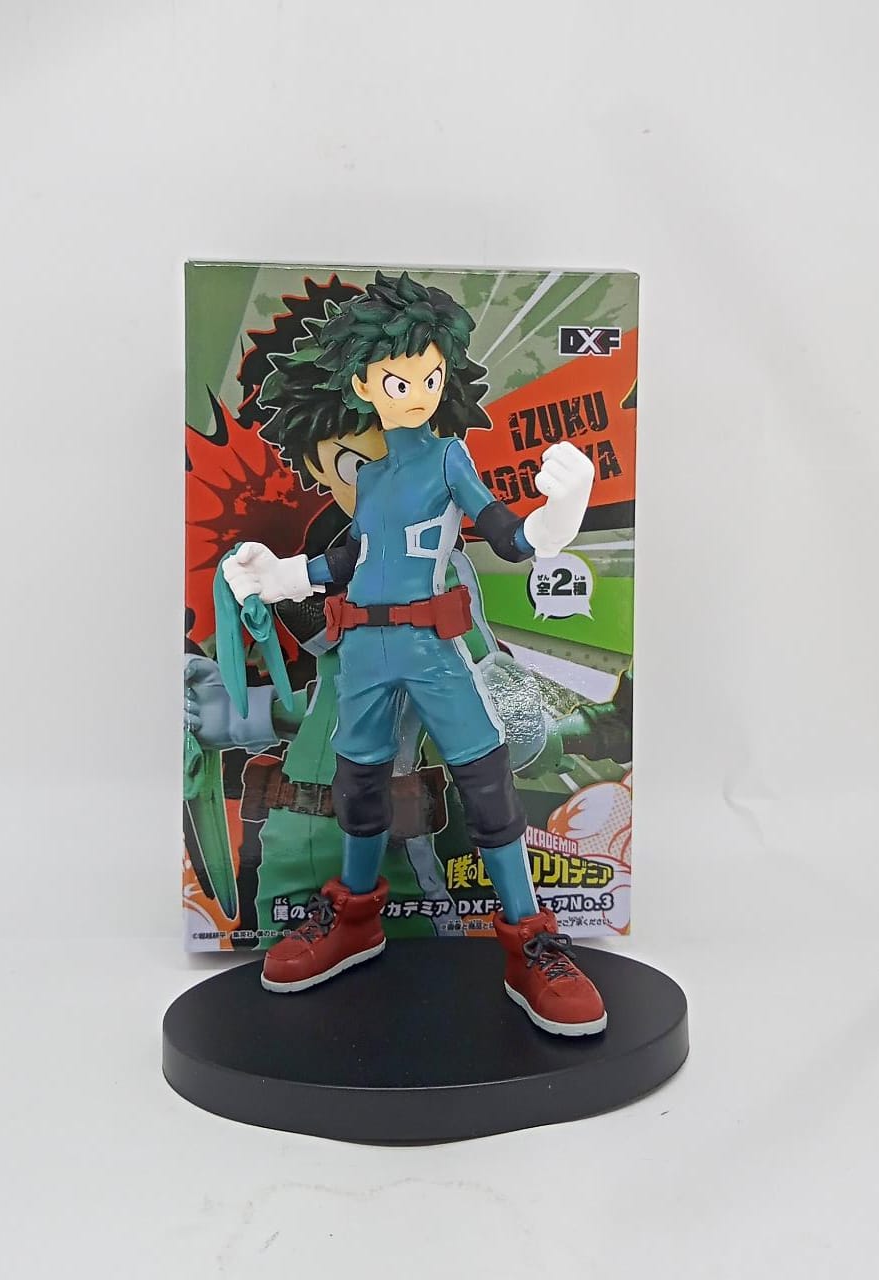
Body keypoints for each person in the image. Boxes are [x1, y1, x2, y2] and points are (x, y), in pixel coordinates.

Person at [223, 271, 606, 1035]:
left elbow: (505, 535)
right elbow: (350, 558)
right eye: (400, 382)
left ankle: (529, 942)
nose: (418, 394)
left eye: (430, 378)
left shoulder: (446, 458)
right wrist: (280, 576)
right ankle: (355, 918)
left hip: (432, 644)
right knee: (359, 782)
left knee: (486, 779)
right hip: (366, 648)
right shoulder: (374, 478)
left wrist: (560, 515)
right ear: (365, 385)